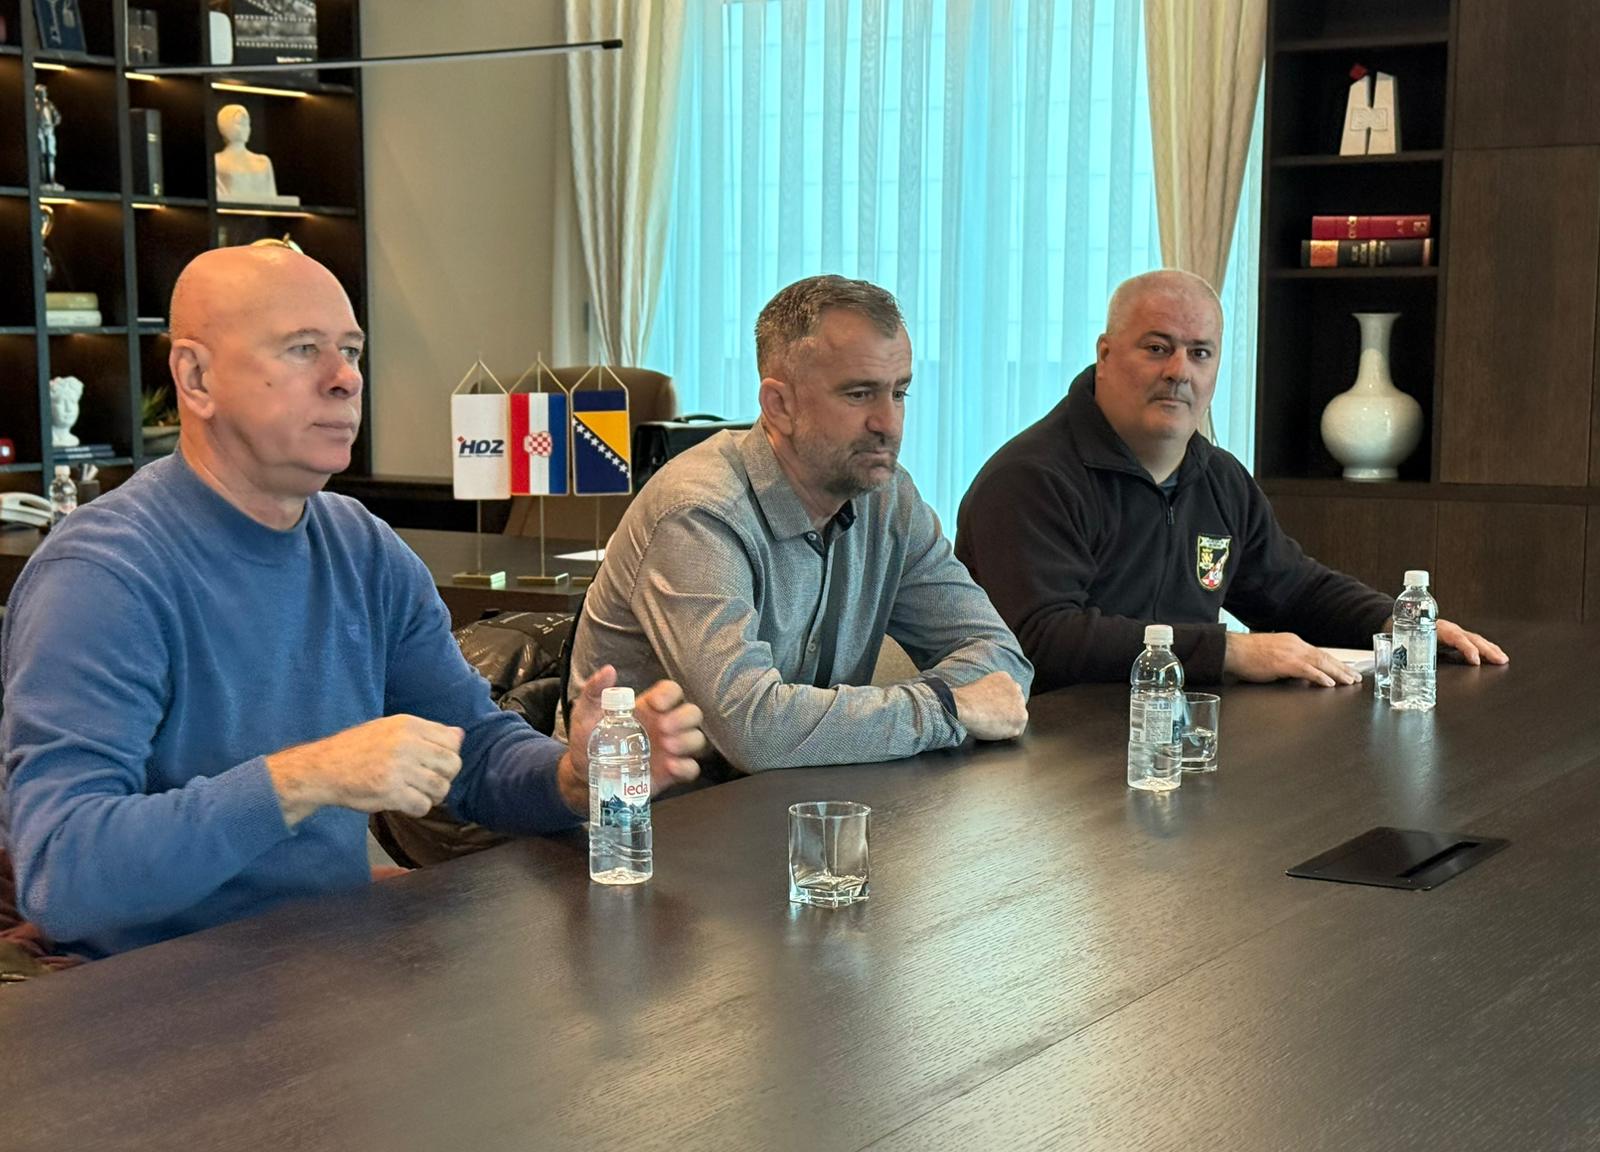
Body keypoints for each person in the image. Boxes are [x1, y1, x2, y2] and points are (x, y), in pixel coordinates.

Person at [0, 246, 706, 960]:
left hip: (330, 967)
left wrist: (572, 777)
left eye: (351, 350)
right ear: (197, 377)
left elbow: (473, 751)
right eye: (303, 349)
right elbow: (63, 872)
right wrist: (307, 776)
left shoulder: (361, 547)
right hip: (154, 993)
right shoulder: (101, 575)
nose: (345, 379)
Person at [569, 274, 1032, 778]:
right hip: (648, 813)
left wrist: (860, 723)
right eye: (859, 394)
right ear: (779, 406)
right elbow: (754, 731)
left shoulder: (888, 497)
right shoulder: (699, 512)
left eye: (899, 393)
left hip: (803, 798)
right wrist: (944, 707)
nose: (889, 423)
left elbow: (1000, 658)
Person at [956, 268, 1506, 691]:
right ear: (1105, 354)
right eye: (1157, 348)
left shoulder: (1218, 477)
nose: (1179, 371)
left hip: (1175, 737)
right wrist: (1230, 652)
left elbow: (1292, 590)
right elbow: (1042, 640)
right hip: (1049, 756)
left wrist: (1400, 624)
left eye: (1200, 353)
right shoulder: (1030, 479)